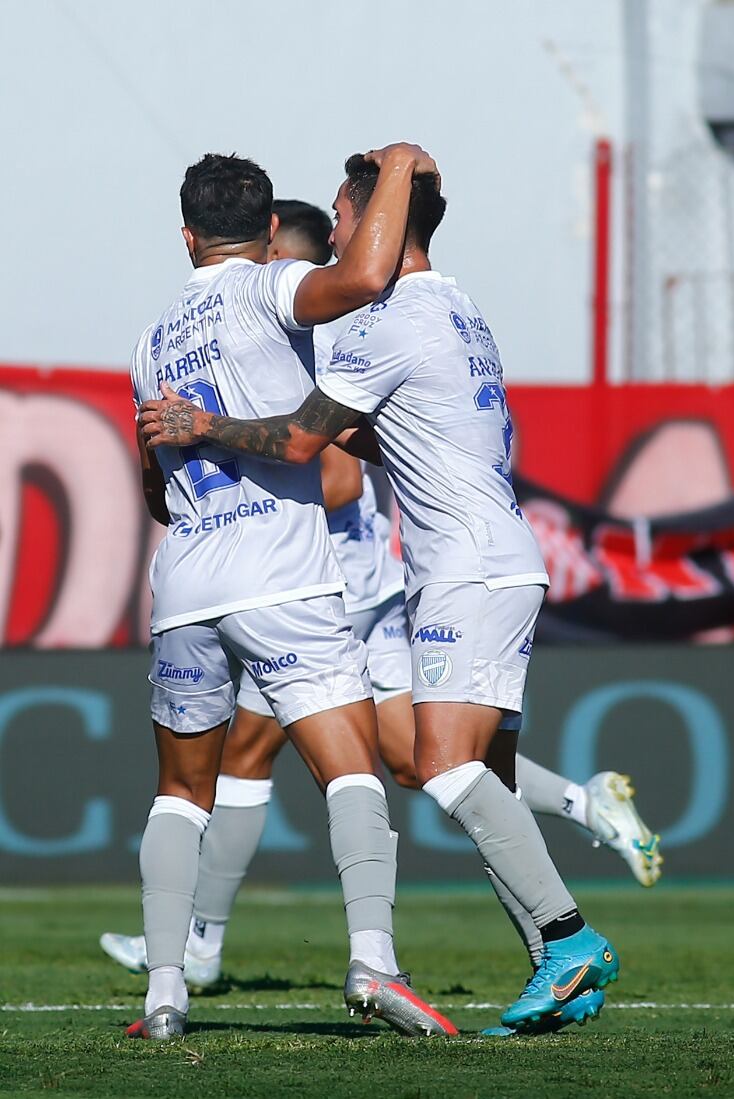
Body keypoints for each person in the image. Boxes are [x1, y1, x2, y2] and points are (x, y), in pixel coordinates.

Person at [102, 201, 661, 993]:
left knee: (389, 762)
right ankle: (565, 874)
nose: (337, 240)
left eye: (343, 219)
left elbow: (326, 466)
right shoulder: (431, 311)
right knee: (420, 762)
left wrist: (214, 429)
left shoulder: (332, 332)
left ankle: (220, 948)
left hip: (333, 591)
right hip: (413, 575)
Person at [124, 150, 456, 1040]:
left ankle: (164, 992)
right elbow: (366, 272)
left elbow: (153, 489)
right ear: (271, 233)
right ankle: (375, 964)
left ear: (186, 235)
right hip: (284, 576)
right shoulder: (271, 288)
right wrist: (396, 168)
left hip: (185, 583)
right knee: (351, 767)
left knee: (178, 793)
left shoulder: (150, 340)